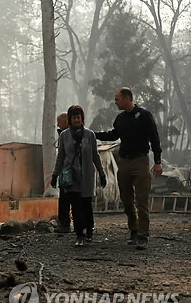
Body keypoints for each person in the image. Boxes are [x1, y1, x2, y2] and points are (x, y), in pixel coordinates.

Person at [95, 87, 162, 250]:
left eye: (117, 99)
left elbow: (154, 138)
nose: (115, 102)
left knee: (142, 199)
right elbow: (113, 135)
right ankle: (134, 230)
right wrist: (93, 134)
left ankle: (143, 235)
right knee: (126, 199)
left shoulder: (144, 116)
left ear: (127, 98)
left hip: (140, 160)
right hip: (124, 161)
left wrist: (158, 161)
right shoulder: (120, 119)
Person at [51, 105, 106, 247]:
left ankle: (89, 231)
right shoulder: (64, 136)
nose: (76, 120)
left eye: (78, 117)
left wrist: (101, 173)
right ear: (70, 119)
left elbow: (95, 155)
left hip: (87, 175)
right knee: (75, 207)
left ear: (82, 118)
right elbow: (61, 157)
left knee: (86, 205)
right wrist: (55, 175)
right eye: (74, 117)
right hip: (71, 176)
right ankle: (79, 234)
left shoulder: (90, 135)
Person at [54, 112, 72, 233]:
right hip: (66, 171)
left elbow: (60, 156)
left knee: (65, 199)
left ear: (65, 123)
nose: (57, 125)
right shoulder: (63, 135)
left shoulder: (66, 136)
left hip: (67, 171)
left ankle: (64, 223)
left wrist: (56, 173)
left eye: (59, 123)